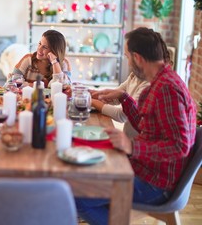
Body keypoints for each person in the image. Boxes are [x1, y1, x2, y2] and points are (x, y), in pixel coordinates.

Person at [75, 27, 197, 225]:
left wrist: (132, 147)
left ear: (138, 58)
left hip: (155, 182)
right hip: (143, 167)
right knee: (88, 167)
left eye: (127, 56)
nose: (128, 61)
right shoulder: (159, 83)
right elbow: (144, 125)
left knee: (76, 194)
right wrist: (123, 97)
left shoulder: (166, 89)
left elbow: (179, 146)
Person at [91, 72, 149, 138]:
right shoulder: (134, 75)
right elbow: (116, 97)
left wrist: (91, 101)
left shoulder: (147, 84)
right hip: (127, 139)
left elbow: (122, 115)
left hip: (136, 144)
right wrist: (94, 94)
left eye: (129, 60)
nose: (129, 62)